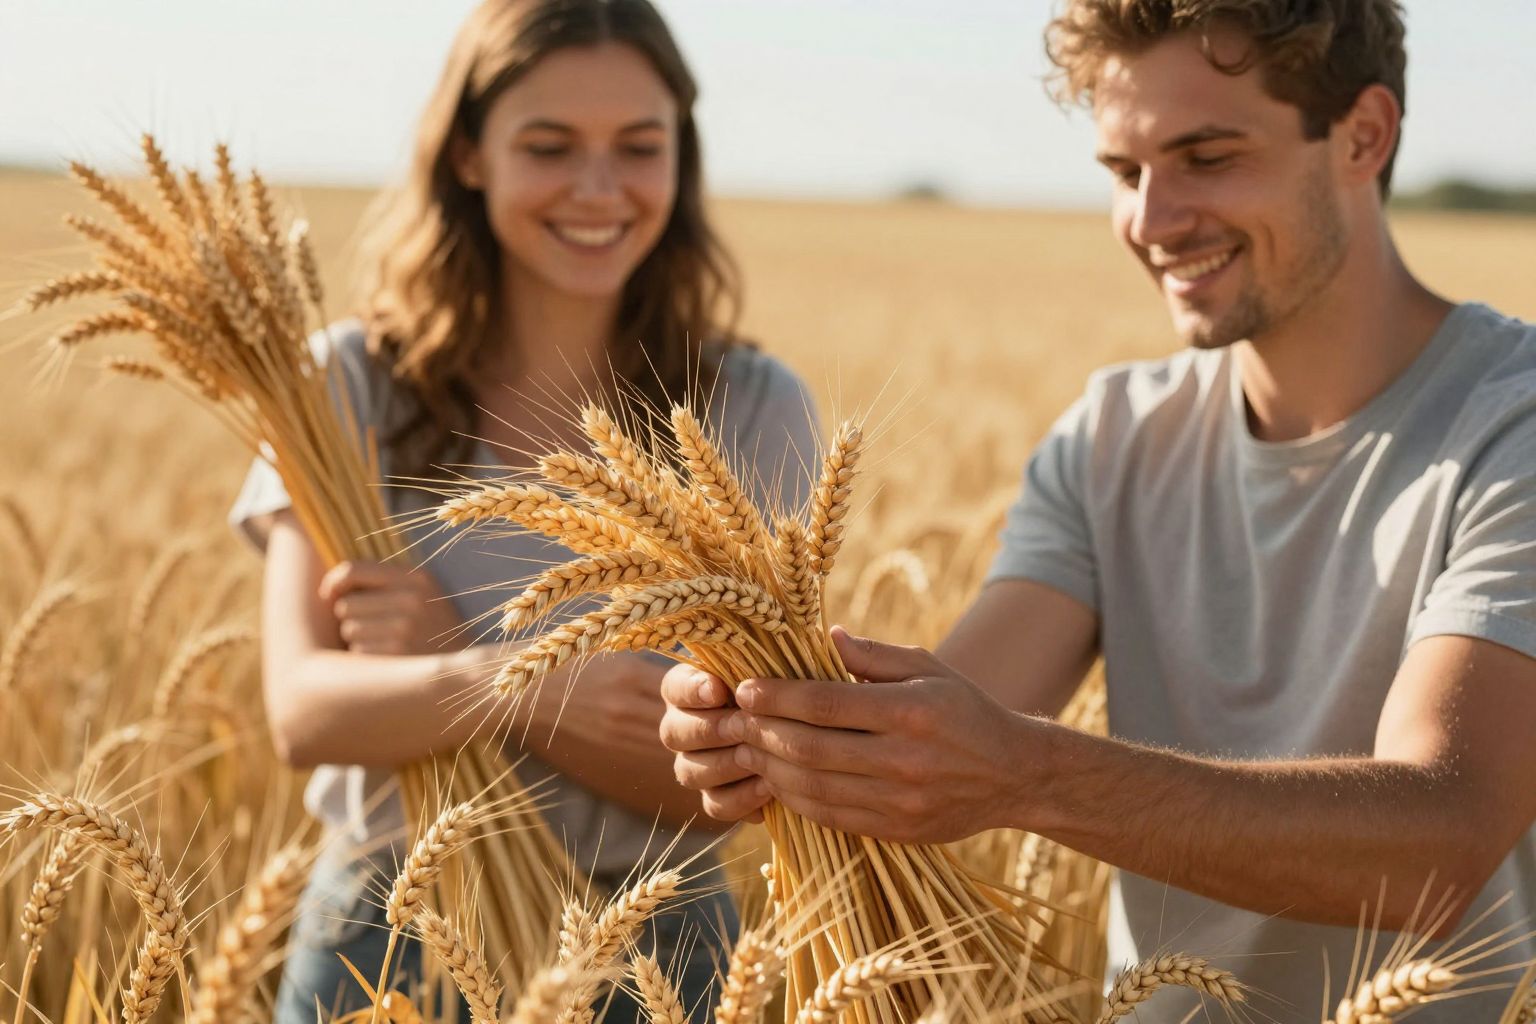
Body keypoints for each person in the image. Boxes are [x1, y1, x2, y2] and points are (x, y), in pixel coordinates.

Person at [658, 2, 1536, 1021]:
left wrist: (1028, 774)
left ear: (1364, 135)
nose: (1153, 222)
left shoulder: (1510, 425)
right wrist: (778, 718)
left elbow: (1443, 839)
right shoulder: (1111, 436)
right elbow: (957, 708)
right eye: (1125, 172)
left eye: (1207, 157)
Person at [229, 2, 817, 1021]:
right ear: (468, 153)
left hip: (655, 946)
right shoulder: (348, 384)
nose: (598, 187)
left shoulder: (749, 408)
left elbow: (725, 790)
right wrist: (532, 687)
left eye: (639, 146)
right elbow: (304, 710)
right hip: (388, 932)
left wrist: (451, 665)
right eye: (549, 146)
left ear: (681, 156)